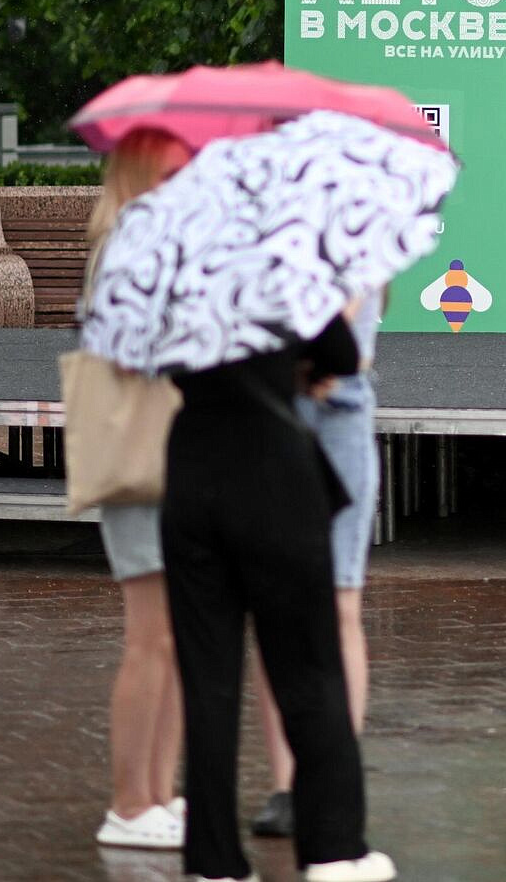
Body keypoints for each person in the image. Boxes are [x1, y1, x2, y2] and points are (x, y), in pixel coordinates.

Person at [164, 307, 396, 882]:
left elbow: (144, 352)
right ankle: (332, 849)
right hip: (273, 469)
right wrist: (295, 367)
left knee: (208, 680)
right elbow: (341, 355)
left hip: (191, 466)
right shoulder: (280, 257)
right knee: (308, 665)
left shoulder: (175, 262)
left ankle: (212, 861)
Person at [85, 128, 194, 852]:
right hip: (140, 457)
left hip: (175, 455)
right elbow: (124, 350)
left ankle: (160, 791)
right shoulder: (128, 243)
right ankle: (130, 800)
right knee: (151, 637)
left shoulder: (154, 238)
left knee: (178, 638)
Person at [252, 291, 383, 840]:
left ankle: (332, 779)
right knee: (275, 604)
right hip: (268, 399)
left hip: (339, 403)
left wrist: (310, 354)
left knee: (339, 602)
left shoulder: (362, 213)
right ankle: (286, 785)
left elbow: (352, 296)